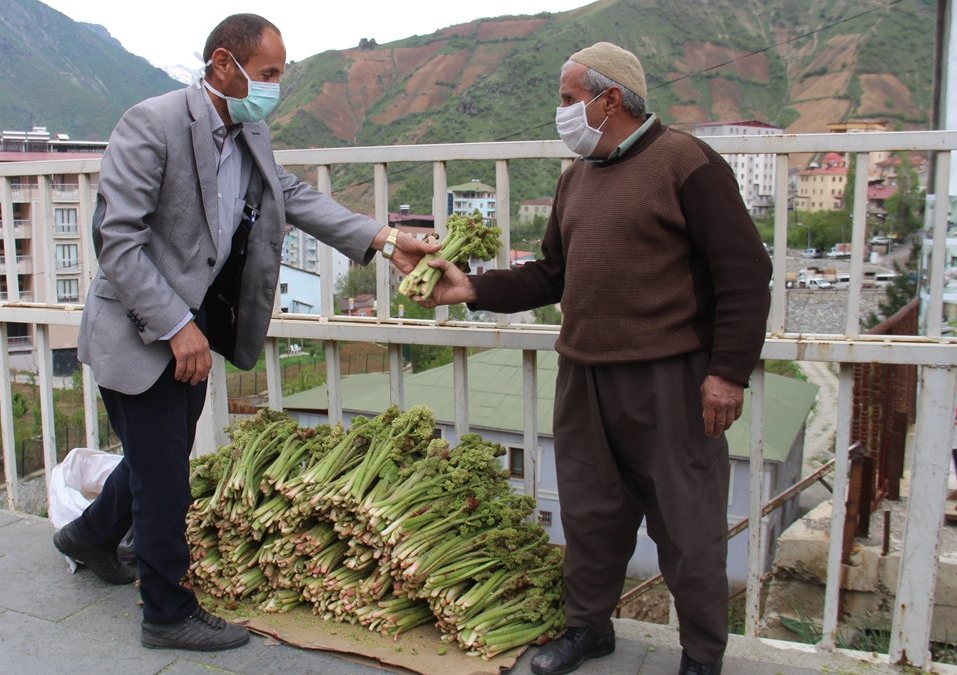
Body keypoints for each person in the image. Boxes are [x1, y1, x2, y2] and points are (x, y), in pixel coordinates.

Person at [55, 13, 436, 652]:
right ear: (222, 65)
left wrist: (386, 238)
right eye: (268, 74)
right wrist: (176, 325)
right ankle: (166, 614)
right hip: (141, 325)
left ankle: (88, 536)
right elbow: (117, 243)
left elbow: (290, 196)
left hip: (194, 323)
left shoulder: (247, 129)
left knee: (163, 457)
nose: (275, 87)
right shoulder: (152, 124)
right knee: (164, 476)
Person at [418, 42, 771, 675]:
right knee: (589, 515)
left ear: (610, 100)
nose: (560, 113)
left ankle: (701, 657)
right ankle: (589, 629)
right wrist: (470, 287)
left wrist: (727, 373)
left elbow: (744, 271)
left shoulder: (686, 161)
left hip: (669, 378)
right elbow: (552, 273)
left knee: (687, 526)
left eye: (567, 99)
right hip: (584, 374)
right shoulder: (575, 178)